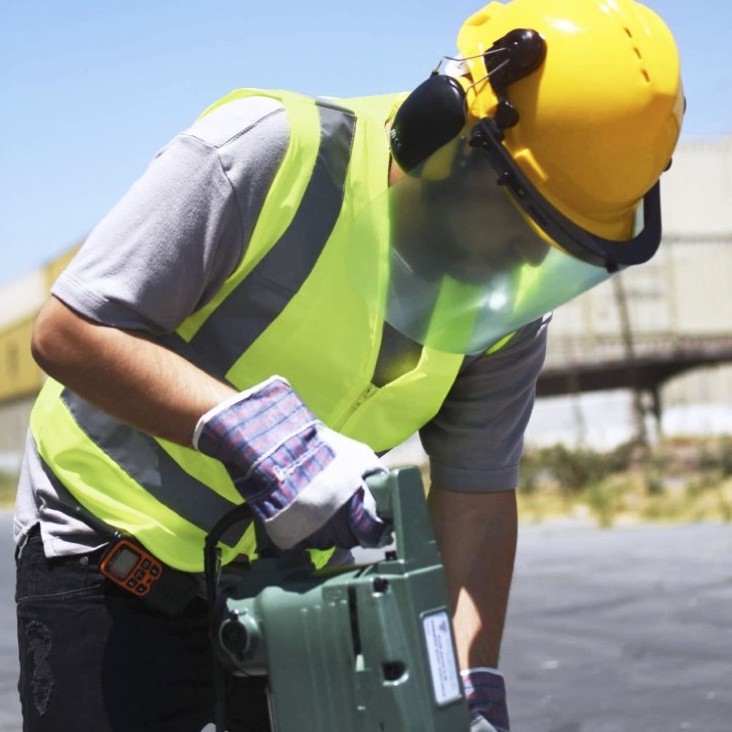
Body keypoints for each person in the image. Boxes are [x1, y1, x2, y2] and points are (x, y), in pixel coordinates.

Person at [14, 0, 683, 730]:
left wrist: (469, 683)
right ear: (446, 129)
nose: (526, 261)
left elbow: (479, 499)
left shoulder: (506, 305)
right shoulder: (269, 154)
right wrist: (260, 436)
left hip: (295, 593)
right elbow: (72, 329)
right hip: (110, 560)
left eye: (555, 248)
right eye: (518, 218)